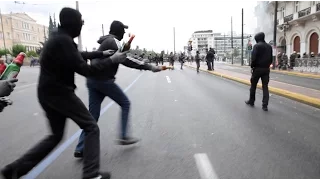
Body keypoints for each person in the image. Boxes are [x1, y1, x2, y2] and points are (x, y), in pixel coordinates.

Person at [1, 7, 128, 179]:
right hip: (59, 93)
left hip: (47, 93)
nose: (82, 25)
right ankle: (91, 174)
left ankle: (14, 169)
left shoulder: (59, 38)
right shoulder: (63, 41)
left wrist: (101, 53)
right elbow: (85, 70)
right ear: (74, 24)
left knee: (55, 136)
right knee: (91, 127)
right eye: (81, 22)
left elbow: (77, 54)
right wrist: (111, 60)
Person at [74, 20, 164, 158]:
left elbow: (125, 55)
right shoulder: (113, 41)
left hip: (92, 80)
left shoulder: (107, 41)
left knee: (93, 116)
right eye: (123, 30)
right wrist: (150, 67)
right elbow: (126, 59)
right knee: (125, 103)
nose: (124, 33)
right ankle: (123, 136)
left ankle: (81, 147)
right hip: (103, 80)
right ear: (118, 31)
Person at [245, 32, 272, 111]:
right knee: (265, 87)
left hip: (257, 69)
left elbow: (254, 58)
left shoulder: (257, 46)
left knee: (253, 85)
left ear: (257, 39)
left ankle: (251, 101)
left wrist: (252, 66)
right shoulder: (269, 47)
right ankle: (265, 105)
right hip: (266, 69)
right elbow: (271, 59)